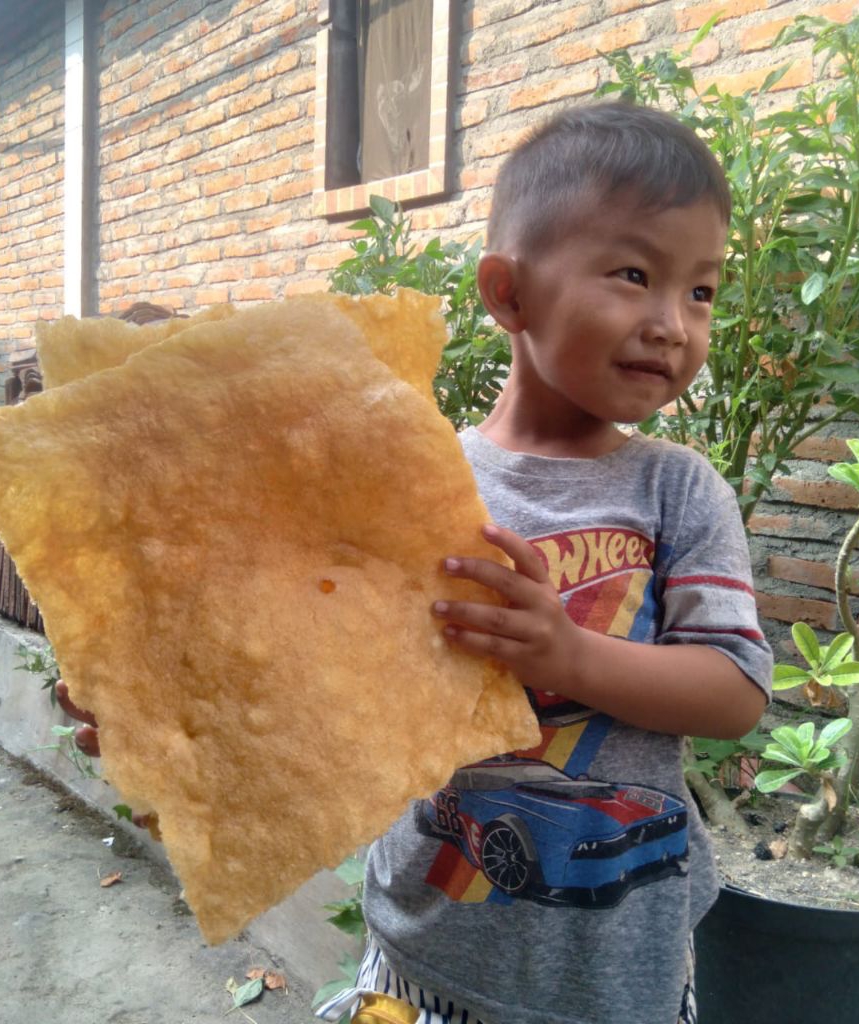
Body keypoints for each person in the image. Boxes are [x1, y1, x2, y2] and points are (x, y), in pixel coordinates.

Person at [317, 101, 773, 1024]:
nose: (673, 324)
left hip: (615, 974)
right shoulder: (421, 482)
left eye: (702, 292)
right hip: (422, 950)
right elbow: (329, 678)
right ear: (508, 292)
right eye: (636, 274)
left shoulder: (677, 494)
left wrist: (568, 659)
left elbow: (733, 693)